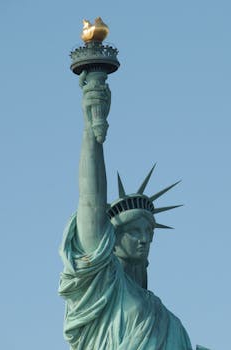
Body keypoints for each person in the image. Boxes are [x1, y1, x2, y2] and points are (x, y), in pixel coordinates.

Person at [58, 70, 193, 349]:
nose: (144, 239)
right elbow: (90, 200)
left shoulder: (168, 320)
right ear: (111, 240)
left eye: (148, 232)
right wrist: (91, 129)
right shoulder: (102, 286)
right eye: (134, 231)